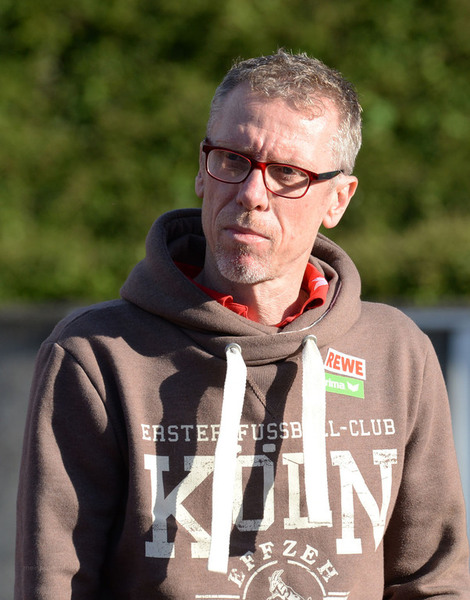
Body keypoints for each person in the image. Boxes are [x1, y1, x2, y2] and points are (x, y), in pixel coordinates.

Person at [15, 50, 470, 599]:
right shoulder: (96, 355)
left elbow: (435, 582)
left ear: (338, 199)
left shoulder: (396, 353)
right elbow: (55, 584)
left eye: (288, 174)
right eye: (233, 160)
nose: (251, 194)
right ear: (201, 167)